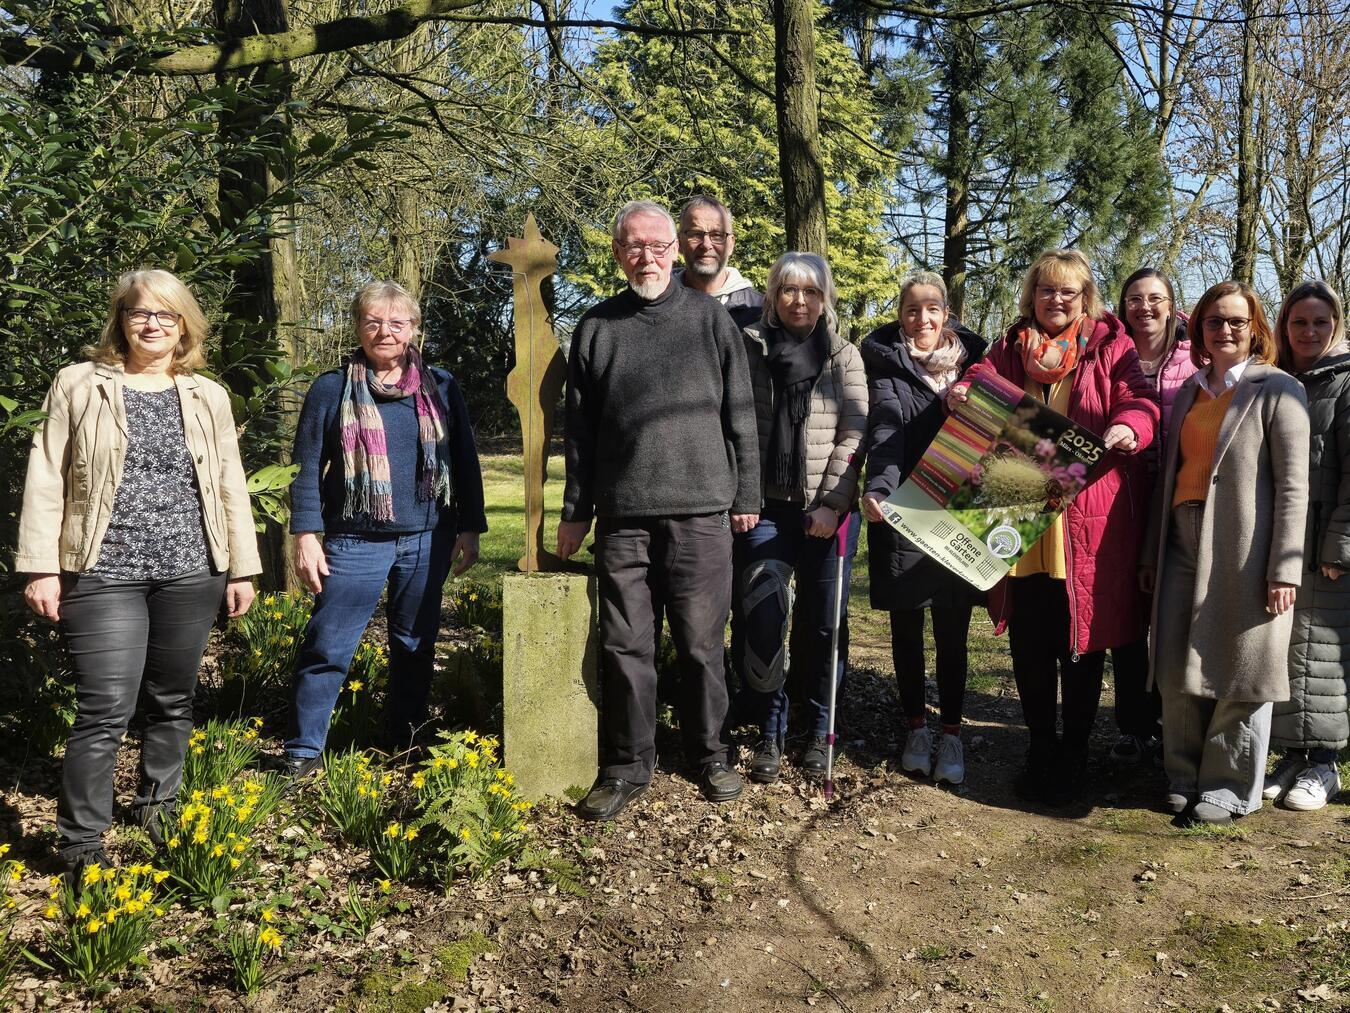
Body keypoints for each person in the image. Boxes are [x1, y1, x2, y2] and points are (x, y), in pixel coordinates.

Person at [16, 269, 260, 871]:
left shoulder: (208, 394)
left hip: (192, 568)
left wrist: (241, 569)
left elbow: (230, 484)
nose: (152, 324)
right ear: (121, 321)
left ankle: (159, 807)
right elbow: (46, 475)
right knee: (104, 707)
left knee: (173, 700)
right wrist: (40, 567)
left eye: (166, 315)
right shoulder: (79, 385)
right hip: (103, 571)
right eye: (140, 313)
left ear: (184, 325)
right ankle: (81, 844)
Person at [558, 199, 760, 820]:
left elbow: (741, 413)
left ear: (674, 252)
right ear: (618, 254)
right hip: (623, 516)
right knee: (625, 645)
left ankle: (709, 753)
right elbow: (581, 432)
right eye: (633, 246)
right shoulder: (596, 327)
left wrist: (747, 492)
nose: (647, 256)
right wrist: (576, 509)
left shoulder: (709, 320)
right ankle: (626, 764)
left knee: (701, 645)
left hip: (702, 511)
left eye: (657, 245)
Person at [948, 249, 1158, 807]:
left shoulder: (1112, 347)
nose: (1057, 300)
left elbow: (1142, 401)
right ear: (1032, 296)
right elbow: (978, 377)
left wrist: (1127, 427)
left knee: (1082, 646)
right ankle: (1041, 747)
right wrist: (967, 390)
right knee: (1030, 644)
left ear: (1085, 297)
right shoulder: (1010, 347)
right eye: (1047, 290)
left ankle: (1074, 753)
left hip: (1087, 521)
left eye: (1068, 291)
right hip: (1021, 520)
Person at [282, 280, 485, 778]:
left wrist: (470, 526)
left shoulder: (441, 385)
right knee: (328, 644)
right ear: (357, 328)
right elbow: (306, 467)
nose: (384, 331)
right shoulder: (331, 389)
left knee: (415, 643)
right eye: (373, 321)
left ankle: (406, 737)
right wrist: (306, 534)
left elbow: (464, 460)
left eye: (396, 322)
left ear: (414, 329)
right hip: (354, 541)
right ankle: (305, 751)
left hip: (428, 536)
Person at [1142, 280, 1309, 825]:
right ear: (1201, 329)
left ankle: (1231, 784)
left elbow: (1294, 486)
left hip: (1245, 546)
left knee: (1242, 667)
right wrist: (1152, 554)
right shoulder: (1190, 390)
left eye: (1237, 321)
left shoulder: (1279, 389)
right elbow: (1171, 476)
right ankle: (1181, 774)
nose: (1226, 330)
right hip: (1180, 542)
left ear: (1255, 327)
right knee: (1173, 662)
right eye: (1215, 321)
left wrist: (1284, 564)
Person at [737, 252, 865, 784]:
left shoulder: (843, 356)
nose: (799, 300)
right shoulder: (750, 349)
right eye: (789, 289)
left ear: (824, 298)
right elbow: (736, 424)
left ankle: (818, 727)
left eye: (811, 291)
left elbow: (855, 431)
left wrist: (832, 504)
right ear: (772, 295)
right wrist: (744, 497)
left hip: (827, 512)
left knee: (822, 623)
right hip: (766, 508)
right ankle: (770, 726)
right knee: (763, 617)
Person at [861, 272, 986, 786]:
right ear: (900, 314)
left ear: (948, 313)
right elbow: (886, 431)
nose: (922, 319)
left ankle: (952, 733)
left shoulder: (979, 365)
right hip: (902, 514)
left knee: (954, 630)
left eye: (932, 309)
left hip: (961, 516)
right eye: (912, 310)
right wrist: (879, 489)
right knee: (907, 628)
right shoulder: (883, 365)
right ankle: (916, 727)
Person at [1108, 268, 1197, 765]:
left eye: (1155, 298)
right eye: (1135, 299)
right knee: (1127, 617)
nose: (1145, 307)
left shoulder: (1194, 353)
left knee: (1173, 616)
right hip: (1121, 498)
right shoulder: (1112, 351)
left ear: (1171, 304)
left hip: (1180, 498)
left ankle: (1172, 720)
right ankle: (1133, 724)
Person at [1265, 281, 1348, 811]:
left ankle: (1325, 763)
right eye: (1300, 322)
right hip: (1279, 539)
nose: (1309, 331)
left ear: (1335, 326)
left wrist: (1340, 544)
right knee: (1288, 650)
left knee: (1322, 654)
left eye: (1320, 322)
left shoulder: (1345, 382)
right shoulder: (1278, 379)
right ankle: (1293, 753)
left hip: (1323, 544)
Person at [675, 195, 764, 328]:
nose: (706, 245)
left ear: (731, 245)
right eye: (695, 234)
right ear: (679, 243)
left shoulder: (760, 312)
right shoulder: (656, 303)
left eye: (717, 235)